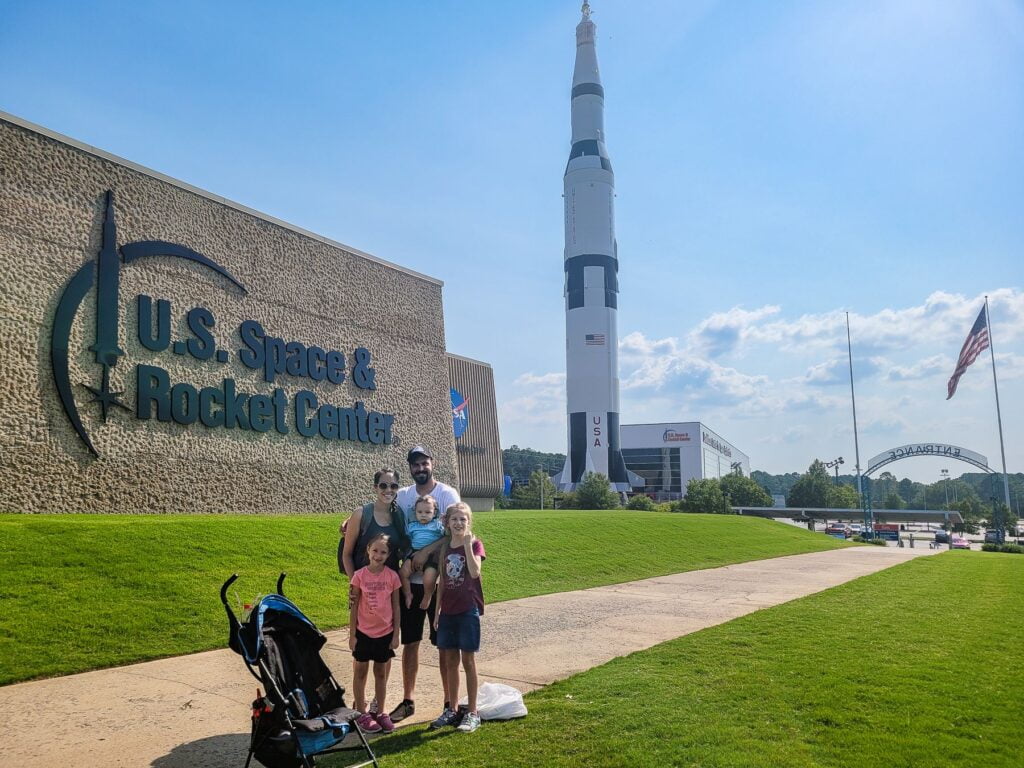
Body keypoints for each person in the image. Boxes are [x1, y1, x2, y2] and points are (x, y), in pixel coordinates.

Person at [388, 445, 461, 724]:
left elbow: (456, 532)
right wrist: (350, 521)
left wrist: (425, 552)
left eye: (424, 463)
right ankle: (408, 700)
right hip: (411, 582)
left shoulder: (446, 494)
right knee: (411, 642)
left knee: (443, 643)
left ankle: (449, 702)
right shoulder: (404, 496)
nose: (420, 468)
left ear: (433, 463)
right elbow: (386, 519)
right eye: (415, 464)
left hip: (441, 582)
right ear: (410, 468)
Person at [431, 502, 486, 733]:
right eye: (455, 519)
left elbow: (474, 572)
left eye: (463, 519)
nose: (459, 523)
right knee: (450, 662)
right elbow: (442, 581)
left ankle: (472, 712)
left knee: (468, 662)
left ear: (469, 522)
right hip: (448, 612)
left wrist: (465, 546)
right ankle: (452, 709)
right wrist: (436, 612)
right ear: (447, 522)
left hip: (467, 610)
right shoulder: (445, 548)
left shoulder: (474, 544)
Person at [348, 533, 402, 733]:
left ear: (388, 555)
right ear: (368, 550)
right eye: (375, 551)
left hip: (385, 633)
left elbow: (396, 607)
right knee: (360, 671)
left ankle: (380, 711)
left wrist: (396, 634)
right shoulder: (359, 576)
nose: (378, 555)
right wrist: (352, 635)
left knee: (381, 672)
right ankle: (361, 712)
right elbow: (353, 607)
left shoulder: (392, 577)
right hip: (363, 632)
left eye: (383, 552)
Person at [340, 468, 408, 578]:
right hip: (364, 588)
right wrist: (355, 584)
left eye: (393, 486)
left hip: (391, 588)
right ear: (375, 487)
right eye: (383, 485)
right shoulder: (361, 514)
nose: (388, 490)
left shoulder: (399, 515)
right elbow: (347, 554)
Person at [399, 495, 445, 610]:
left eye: (428, 512)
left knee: (429, 578)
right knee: (403, 573)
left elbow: (446, 536)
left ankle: (427, 596)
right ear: (415, 513)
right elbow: (406, 540)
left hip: (432, 555)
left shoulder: (437, 525)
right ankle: (408, 594)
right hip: (414, 552)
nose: (423, 514)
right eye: (420, 512)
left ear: (434, 513)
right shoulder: (412, 526)